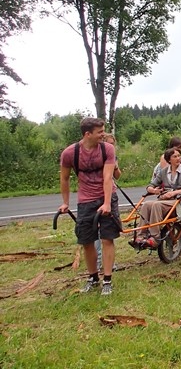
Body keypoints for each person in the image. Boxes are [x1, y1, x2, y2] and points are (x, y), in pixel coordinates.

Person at [59, 117, 119, 296]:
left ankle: (107, 280)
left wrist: (107, 202)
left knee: (107, 238)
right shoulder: (70, 153)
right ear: (88, 134)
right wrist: (65, 202)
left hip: (107, 196)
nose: (103, 134)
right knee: (86, 241)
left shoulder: (107, 148)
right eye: (100, 132)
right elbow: (64, 178)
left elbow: (108, 177)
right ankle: (93, 278)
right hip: (85, 200)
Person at [135, 148, 181, 248]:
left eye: (179, 156)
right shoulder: (164, 172)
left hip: (178, 201)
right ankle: (141, 235)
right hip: (165, 201)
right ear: (169, 160)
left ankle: (155, 238)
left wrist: (174, 193)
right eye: (175, 156)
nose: (178, 158)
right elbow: (150, 186)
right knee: (146, 205)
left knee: (156, 205)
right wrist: (154, 190)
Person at [95, 133, 121, 271]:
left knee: (109, 232)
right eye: (109, 143)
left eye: (113, 144)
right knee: (97, 230)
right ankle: (99, 261)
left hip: (112, 193)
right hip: (96, 194)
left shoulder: (112, 156)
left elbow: (117, 175)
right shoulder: (96, 155)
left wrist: (115, 166)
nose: (111, 146)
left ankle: (108, 263)